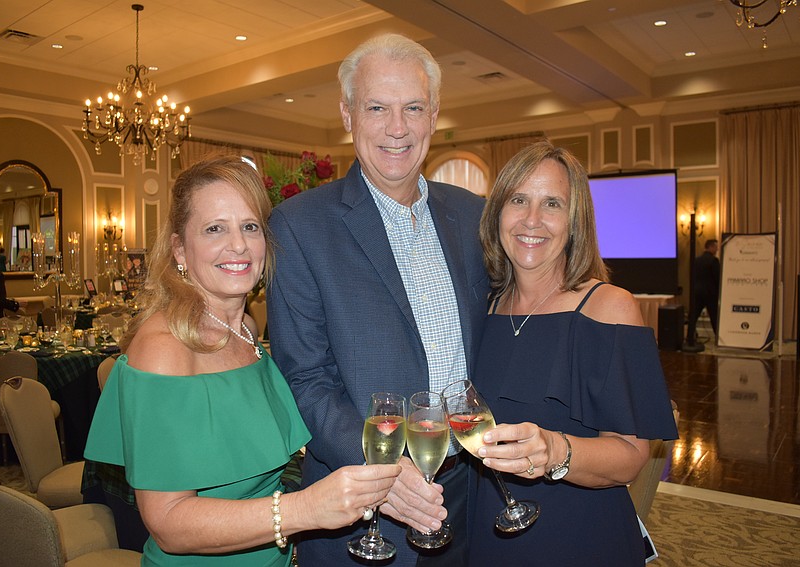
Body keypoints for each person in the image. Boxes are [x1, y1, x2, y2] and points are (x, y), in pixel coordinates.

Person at [84, 155, 400, 566]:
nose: (239, 245)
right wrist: (304, 510)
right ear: (180, 247)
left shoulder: (246, 327)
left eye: (250, 226)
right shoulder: (165, 347)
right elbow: (168, 522)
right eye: (215, 228)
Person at [267, 34, 490, 566]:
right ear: (347, 115)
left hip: (469, 492)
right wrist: (385, 475)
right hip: (362, 504)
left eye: (413, 107)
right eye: (377, 108)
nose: (397, 127)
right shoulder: (300, 226)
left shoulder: (474, 215)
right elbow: (305, 378)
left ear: (433, 115)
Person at [471, 140, 679, 565]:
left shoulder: (609, 307)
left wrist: (554, 450)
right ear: (497, 213)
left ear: (575, 220)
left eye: (552, 203)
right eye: (519, 200)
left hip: (577, 538)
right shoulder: (483, 306)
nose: (532, 220)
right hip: (484, 532)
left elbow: (630, 458)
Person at [686, 238, 720, 346]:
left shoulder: (696, 260)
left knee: (693, 316)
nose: (717, 249)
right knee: (714, 317)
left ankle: (689, 337)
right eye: (715, 247)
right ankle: (718, 339)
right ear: (711, 247)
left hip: (697, 292)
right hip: (710, 293)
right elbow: (717, 278)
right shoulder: (714, 261)